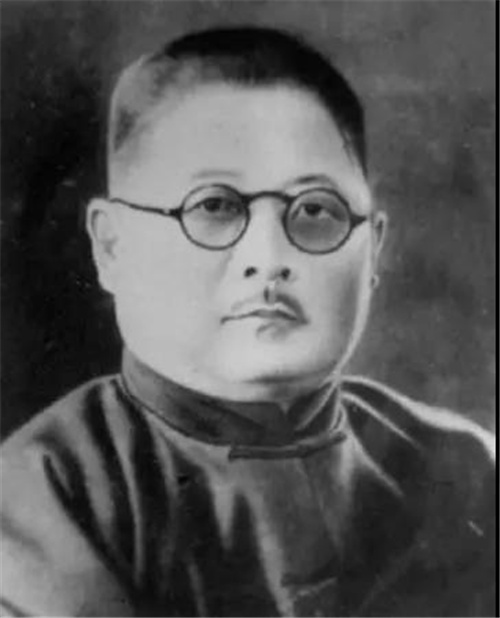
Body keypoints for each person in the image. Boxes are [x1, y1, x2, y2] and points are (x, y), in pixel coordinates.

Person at [0, 27, 495, 617]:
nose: (269, 256)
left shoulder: (466, 469)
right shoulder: (42, 500)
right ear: (112, 245)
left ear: (375, 251)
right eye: (214, 206)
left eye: (316, 209)